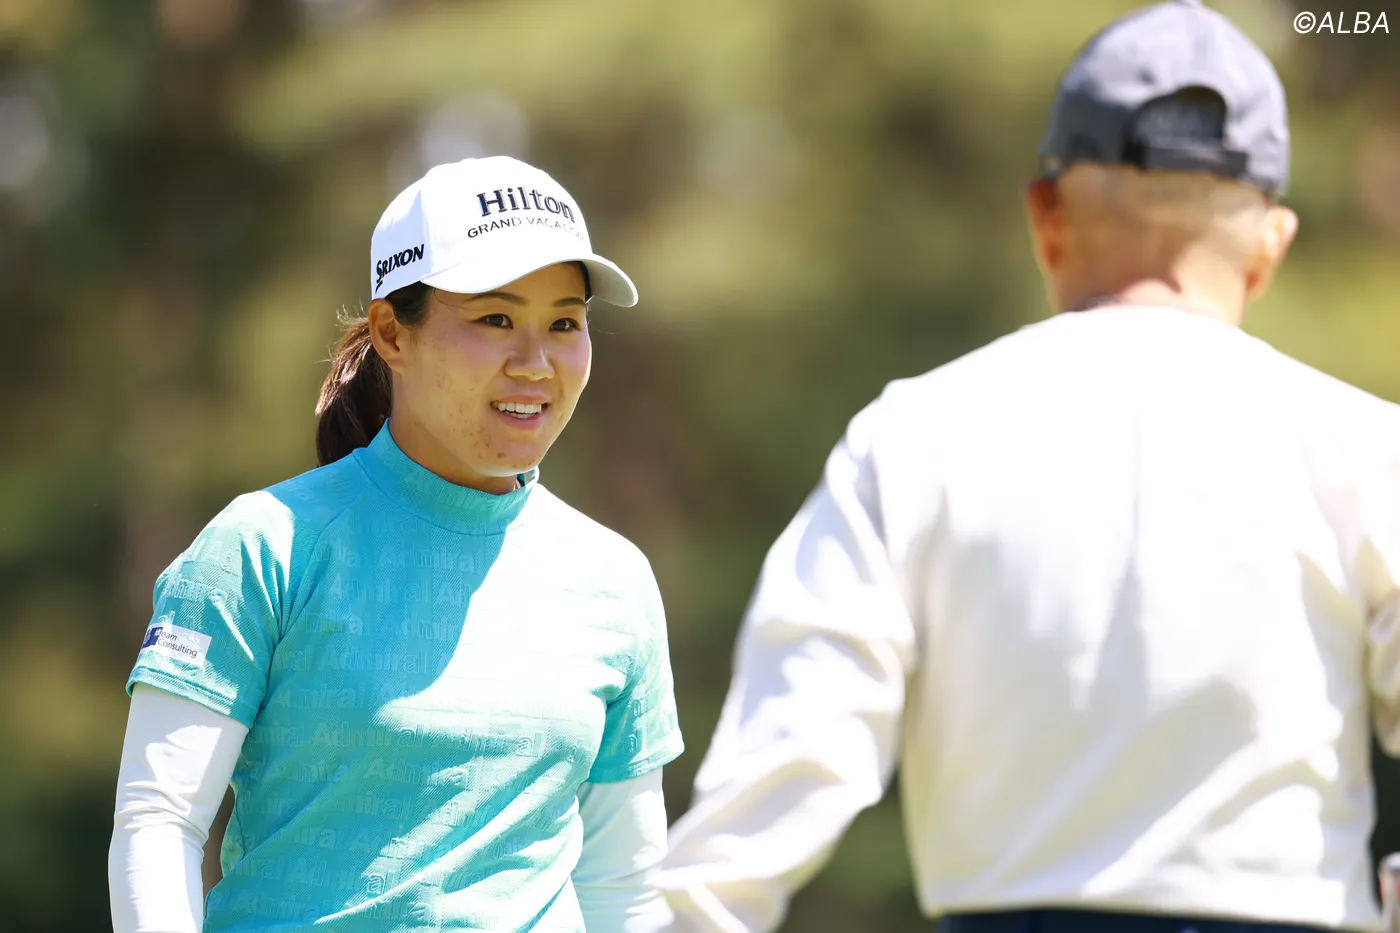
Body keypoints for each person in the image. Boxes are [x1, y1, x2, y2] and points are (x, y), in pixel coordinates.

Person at [653, 2, 1400, 932]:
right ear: (1270, 244)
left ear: (1045, 216)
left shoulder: (915, 434)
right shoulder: (1365, 445)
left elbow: (792, 747)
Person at [108, 155, 684, 933]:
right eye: (495, 319)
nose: (536, 362)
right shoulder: (262, 547)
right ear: (390, 332)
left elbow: (624, 888)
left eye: (564, 322)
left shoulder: (614, 579)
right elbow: (158, 820)